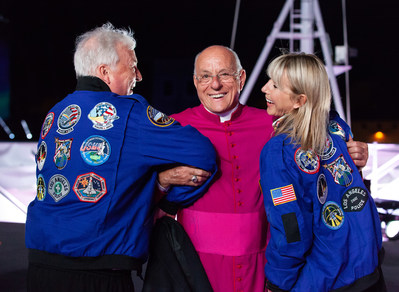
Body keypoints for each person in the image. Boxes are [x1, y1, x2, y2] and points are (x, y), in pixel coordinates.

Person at [157, 45, 370, 292]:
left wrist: (353, 151)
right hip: (195, 265)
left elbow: (320, 141)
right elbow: (137, 190)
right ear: (195, 81)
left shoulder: (275, 124)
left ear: (241, 78)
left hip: (262, 261)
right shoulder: (172, 126)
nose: (215, 85)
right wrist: (163, 179)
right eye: (205, 76)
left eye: (225, 74)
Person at [25, 23, 217, 292]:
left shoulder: (56, 113)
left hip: (40, 267)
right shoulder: (128, 113)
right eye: (132, 66)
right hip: (98, 273)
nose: (139, 75)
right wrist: (163, 194)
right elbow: (204, 155)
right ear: (105, 72)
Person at [259, 53, 385, 291]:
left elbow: (290, 225)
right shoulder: (338, 129)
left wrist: (278, 281)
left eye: (275, 85)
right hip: (369, 272)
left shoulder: (279, 151)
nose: (265, 88)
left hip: (323, 280)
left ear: (299, 100)